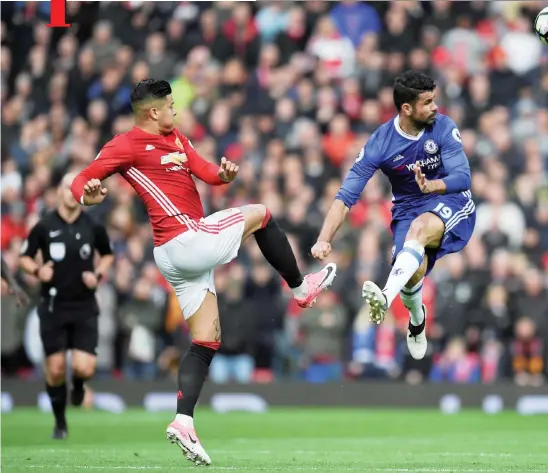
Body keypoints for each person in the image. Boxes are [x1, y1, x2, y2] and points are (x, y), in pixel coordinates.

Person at [69, 79, 336, 465]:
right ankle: (300, 288)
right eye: (170, 105)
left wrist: (223, 175)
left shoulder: (176, 137)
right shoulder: (124, 144)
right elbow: (84, 176)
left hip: (175, 253)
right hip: (184, 239)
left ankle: (183, 420)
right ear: (153, 112)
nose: (175, 110)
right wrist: (85, 194)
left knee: (207, 340)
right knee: (261, 214)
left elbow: (205, 171)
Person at [312, 70, 475, 361]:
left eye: (434, 100)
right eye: (427, 102)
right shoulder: (381, 143)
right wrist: (324, 239)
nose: (435, 107)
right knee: (412, 274)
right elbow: (346, 195)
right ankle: (416, 319)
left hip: (449, 198)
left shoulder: (443, 127)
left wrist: (432, 185)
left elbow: (463, 177)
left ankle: (385, 296)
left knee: (419, 230)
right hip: (408, 207)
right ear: (406, 108)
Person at [19, 172, 115, 439]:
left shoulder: (93, 225)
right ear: (59, 192)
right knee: (56, 368)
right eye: (67, 187)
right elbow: (24, 258)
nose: (71, 192)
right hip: (53, 306)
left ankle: (80, 386)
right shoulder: (44, 225)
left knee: (84, 367)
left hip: (84, 305)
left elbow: (107, 255)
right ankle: (60, 422)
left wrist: (96, 274)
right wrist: (38, 272)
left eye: (77, 187)